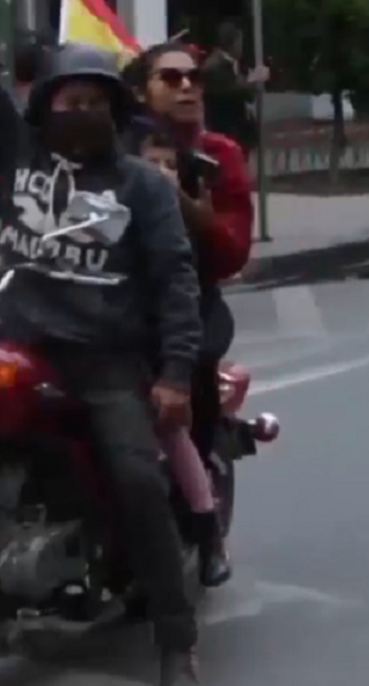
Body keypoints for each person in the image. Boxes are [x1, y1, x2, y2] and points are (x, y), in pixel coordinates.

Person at [0, 0, 202, 684]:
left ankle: (175, 640)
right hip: (9, 337)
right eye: (67, 101)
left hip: (102, 358)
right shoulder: (17, 150)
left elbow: (176, 278)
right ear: (44, 105)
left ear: (113, 110)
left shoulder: (140, 186)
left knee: (138, 479)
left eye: (93, 102)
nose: (80, 112)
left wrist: (175, 374)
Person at [125, 42, 254, 591]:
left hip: (189, 311)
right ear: (141, 92)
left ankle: (206, 535)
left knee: (184, 409)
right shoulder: (114, 152)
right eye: (171, 77)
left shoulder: (218, 156)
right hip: (116, 308)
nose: (186, 87)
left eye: (193, 77)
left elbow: (232, 250)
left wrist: (177, 198)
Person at [200, 21, 268, 153]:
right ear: (234, 43)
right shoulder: (215, 67)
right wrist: (253, 80)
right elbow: (233, 91)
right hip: (226, 131)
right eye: (240, 42)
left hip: (235, 132)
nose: (242, 47)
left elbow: (245, 94)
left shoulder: (229, 63)